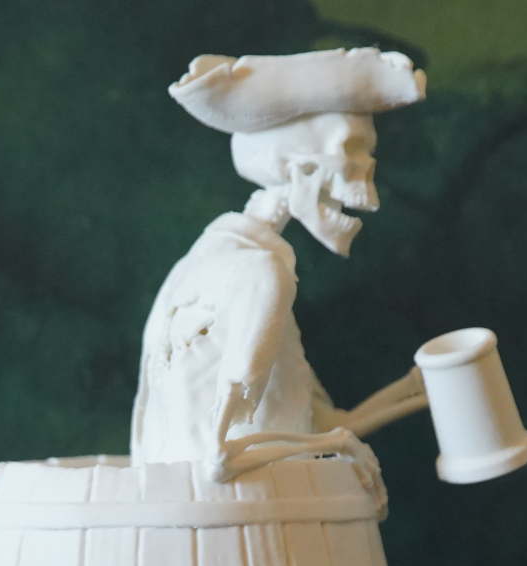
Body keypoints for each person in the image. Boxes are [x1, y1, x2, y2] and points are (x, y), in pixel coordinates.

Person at [130, 48, 429, 515]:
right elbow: (217, 458)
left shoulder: (207, 266)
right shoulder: (262, 273)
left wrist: (418, 388)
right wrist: (342, 447)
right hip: (227, 516)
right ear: (300, 169)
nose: (367, 171)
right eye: (352, 151)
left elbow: (326, 420)